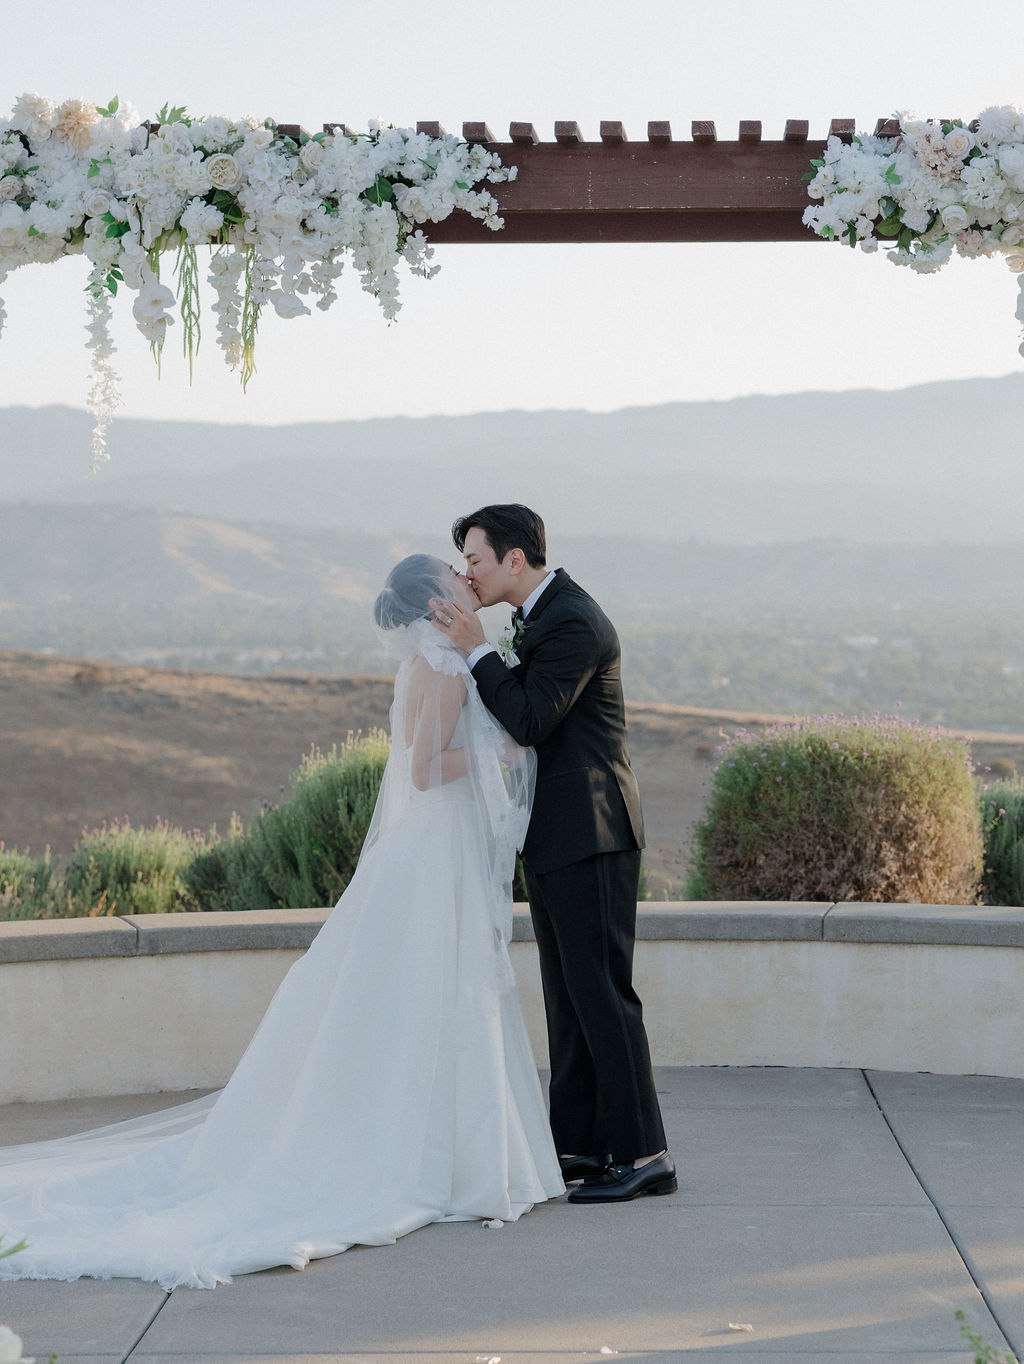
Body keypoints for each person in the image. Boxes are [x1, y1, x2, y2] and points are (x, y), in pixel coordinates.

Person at [0, 555, 563, 1290]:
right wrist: (505, 748)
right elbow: (426, 770)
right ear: (434, 603)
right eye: (455, 581)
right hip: (439, 847)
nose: (468, 583)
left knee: (433, 989)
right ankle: (457, 1164)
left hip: (430, 847)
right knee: (445, 986)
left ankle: (459, 1156)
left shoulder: (426, 666)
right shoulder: (449, 669)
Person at [432, 505, 675, 1203]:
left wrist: (477, 650)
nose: (469, 573)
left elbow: (532, 719)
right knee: (568, 998)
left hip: (591, 830)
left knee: (602, 994)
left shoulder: (573, 619)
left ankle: (644, 1154)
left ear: (515, 559)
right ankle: (579, 1150)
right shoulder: (539, 616)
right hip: (555, 833)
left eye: (475, 560)